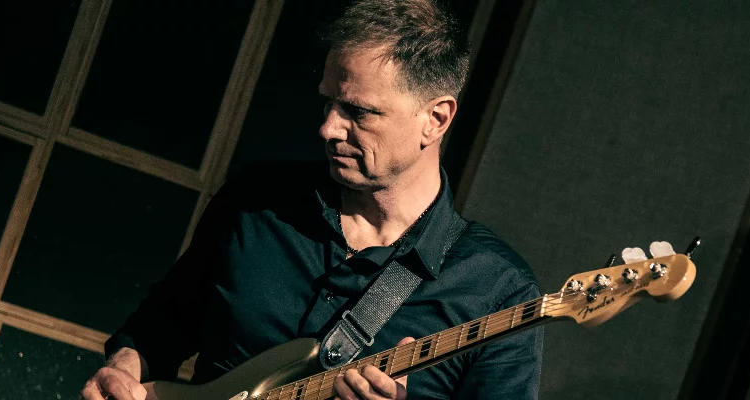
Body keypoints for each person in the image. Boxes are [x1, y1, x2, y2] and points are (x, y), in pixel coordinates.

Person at [80, 1, 543, 399]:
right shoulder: (257, 201)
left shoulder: (499, 293)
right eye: (328, 102)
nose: (328, 128)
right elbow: (161, 326)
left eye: (358, 112)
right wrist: (122, 371)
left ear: (436, 119)